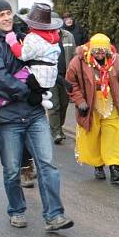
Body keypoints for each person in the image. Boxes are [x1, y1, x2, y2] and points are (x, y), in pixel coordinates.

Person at [0, 0, 73, 232]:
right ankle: (17, 209)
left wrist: (55, 82)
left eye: (9, 13)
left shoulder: (25, 37)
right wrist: (28, 91)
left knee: (47, 164)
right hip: (8, 119)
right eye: (0, 15)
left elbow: (42, 65)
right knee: (12, 170)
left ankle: (54, 215)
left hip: (34, 113)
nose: (7, 17)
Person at [66, 33, 119, 182]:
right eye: (96, 50)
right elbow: (71, 84)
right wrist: (80, 101)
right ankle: (98, 167)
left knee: (113, 134)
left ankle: (115, 168)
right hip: (90, 105)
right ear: (91, 49)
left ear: (108, 50)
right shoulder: (77, 62)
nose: (99, 53)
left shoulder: (117, 61)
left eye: (102, 50)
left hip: (111, 102)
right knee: (92, 135)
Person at [49, 16, 75, 144]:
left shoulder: (68, 36)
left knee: (64, 104)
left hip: (66, 77)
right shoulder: (46, 38)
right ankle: (56, 132)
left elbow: (74, 55)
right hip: (50, 77)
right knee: (54, 105)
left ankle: (59, 127)